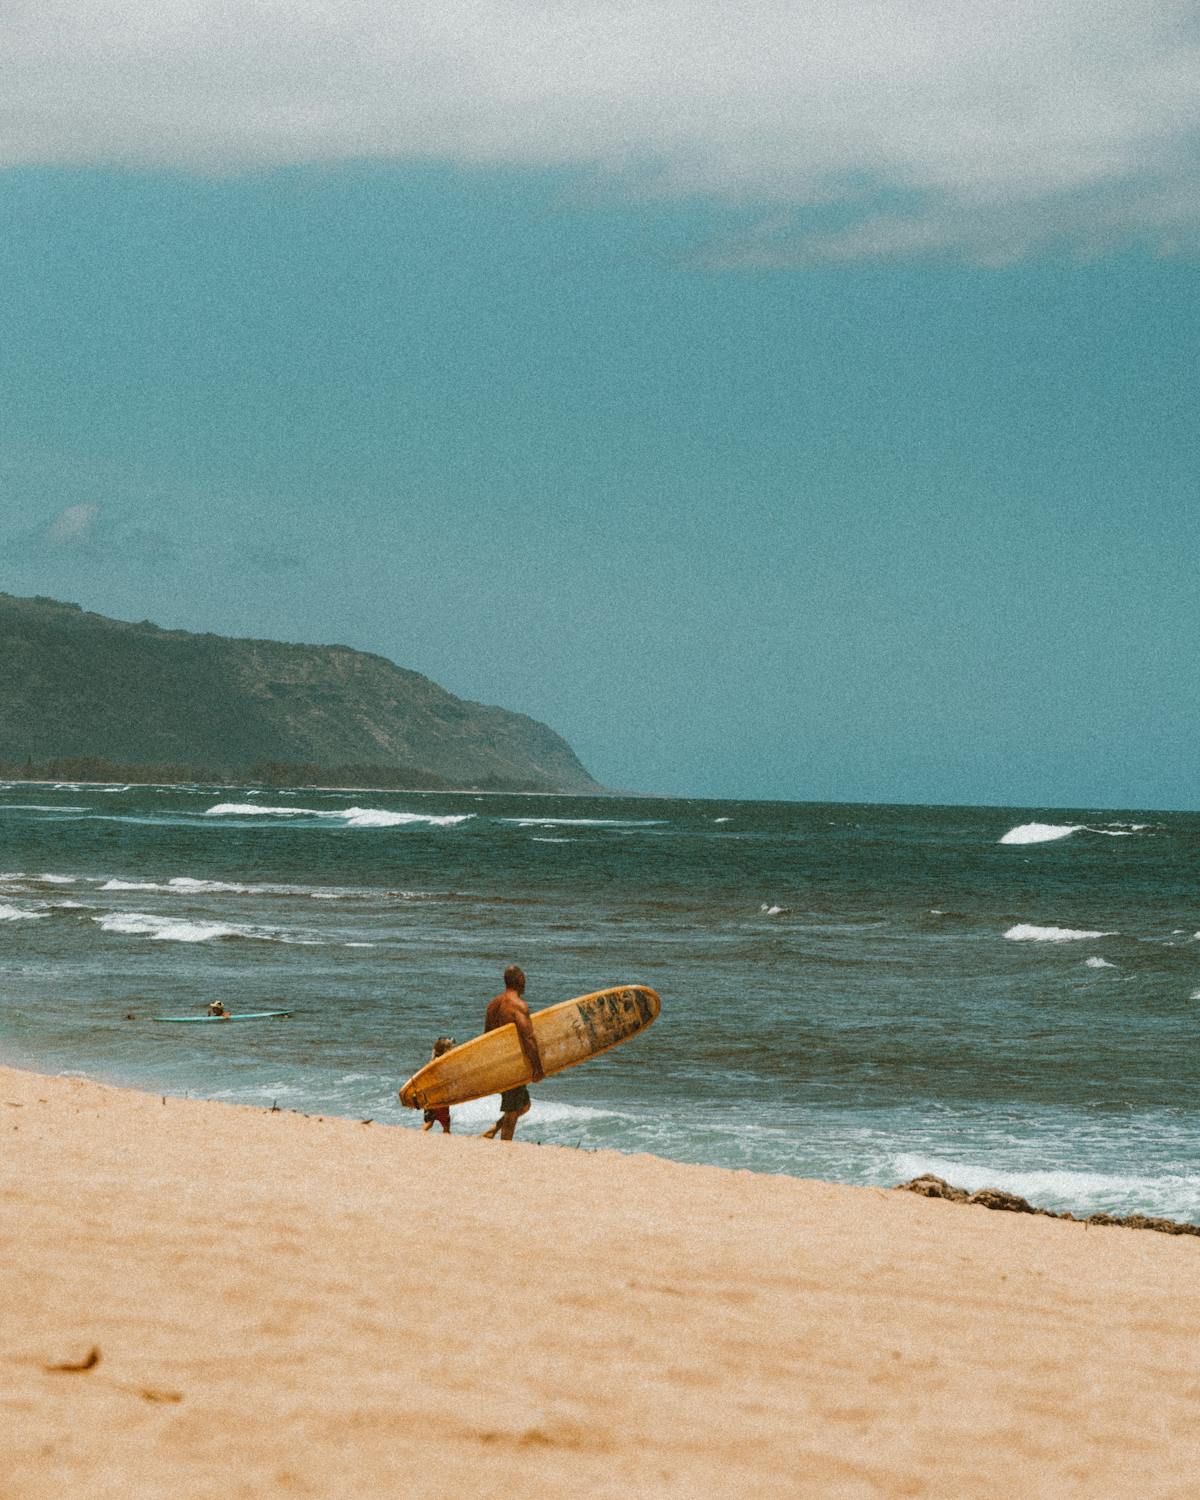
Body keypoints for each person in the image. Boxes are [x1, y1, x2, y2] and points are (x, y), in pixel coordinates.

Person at [480, 964, 545, 1141]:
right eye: (524, 979)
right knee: (512, 1112)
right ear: (519, 981)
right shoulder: (518, 1006)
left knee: (524, 1106)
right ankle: (504, 1147)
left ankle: (492, 1131)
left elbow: (486, 1037)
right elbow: (529, 1038)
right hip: (512, 1065)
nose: (525, 982)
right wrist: (537, 1067)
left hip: (498, 1062)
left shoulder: (493, 1005)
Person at [421, 1036, 456, 1133]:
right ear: (446, 1051)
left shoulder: (431, 1063)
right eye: (451, 1048)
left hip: (430, 1098)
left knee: (429, 1122)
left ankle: (417, 1137)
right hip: (441, 1098)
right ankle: (446, 1143)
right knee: (446, 1125)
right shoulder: (443, 1064)